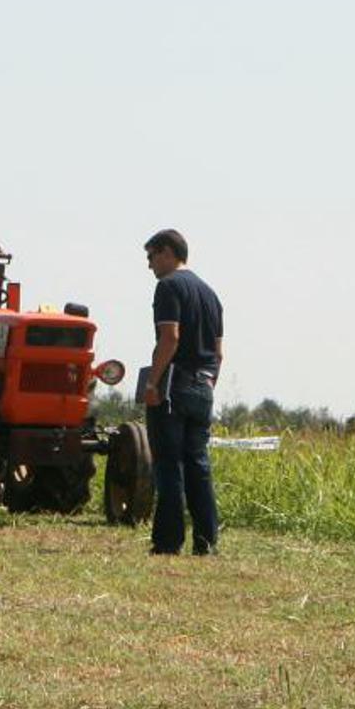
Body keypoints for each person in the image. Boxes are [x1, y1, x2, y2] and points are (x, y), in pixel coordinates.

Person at [143, 229, 223, 555]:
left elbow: (170, 339)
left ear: (167, 252)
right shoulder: (210, 293)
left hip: (174, 384)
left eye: (151, 257)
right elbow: (218, 352)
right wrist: (207, 383)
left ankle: (168, 542)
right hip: (204, 384)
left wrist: (153, 383)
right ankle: (206, 542)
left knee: (168, 464)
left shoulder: (169, 287)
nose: (150, 266)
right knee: (198, 464)